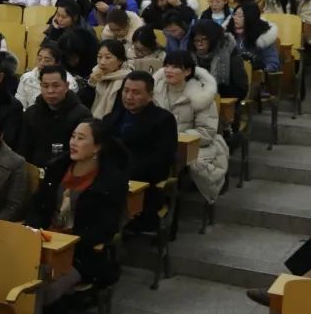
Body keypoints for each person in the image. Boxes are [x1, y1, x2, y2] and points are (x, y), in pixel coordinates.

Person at [27, 119, 127, 314]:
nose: (73, 142)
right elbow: (37, 206)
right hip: (45, 243)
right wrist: (34, 230)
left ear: (97, 146)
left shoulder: (110, 180)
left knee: (44, 290)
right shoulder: (57, 168)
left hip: (83, 253)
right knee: (16, 279)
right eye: (73, 136)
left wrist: (66, 243)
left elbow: (105, 229)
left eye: (81, 138)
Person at [103, 71, 177, 229]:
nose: (129, 97)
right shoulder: (113, 117)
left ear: (150, 96)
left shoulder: (163, 120)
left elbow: (162, 158)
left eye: (136, 93)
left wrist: (123, 171)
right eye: (126, 91)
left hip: (142, 179)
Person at [154, 52, 228, 203]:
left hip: (193, 144)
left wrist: (175, 137)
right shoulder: (155, 90)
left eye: (175, 67)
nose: (168, 70)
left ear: (187, 71)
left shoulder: (201, 95)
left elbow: (206, 132)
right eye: (166, 66)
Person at [20, 65, 92, 167]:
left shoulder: (82, 114)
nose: (50, 91)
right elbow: (23, 149)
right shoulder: (31, 113)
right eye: (45, 86)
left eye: (56, 86)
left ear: (66, 86)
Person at [191, 20, 248, 99]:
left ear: (213, 39)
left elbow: (241, 91)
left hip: (223, 100)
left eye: (204, 39)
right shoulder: (191, 56)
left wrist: (212, 91)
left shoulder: (231, 56)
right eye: (196, 40)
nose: (199, 44)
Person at [16, 41, 76, 109]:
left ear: (57, 63)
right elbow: (20, 104)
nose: (42, 63)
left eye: (47, 60)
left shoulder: (68, 82)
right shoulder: (26, 78)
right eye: (39, 59)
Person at [227, 2, 281, 72]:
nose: (235, 18)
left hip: (255, 74)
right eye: (234, 14)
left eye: (240, 16)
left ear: (251, 17)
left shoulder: (264, 37)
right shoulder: (228, 33)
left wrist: (260, 71)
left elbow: (273, 64)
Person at [88, 40, 132, 119]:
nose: (102, 62)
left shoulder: (127, 80)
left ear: (120, 61)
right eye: (99, 57)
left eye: (108, 58)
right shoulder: (94, 74)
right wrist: (92, 84)